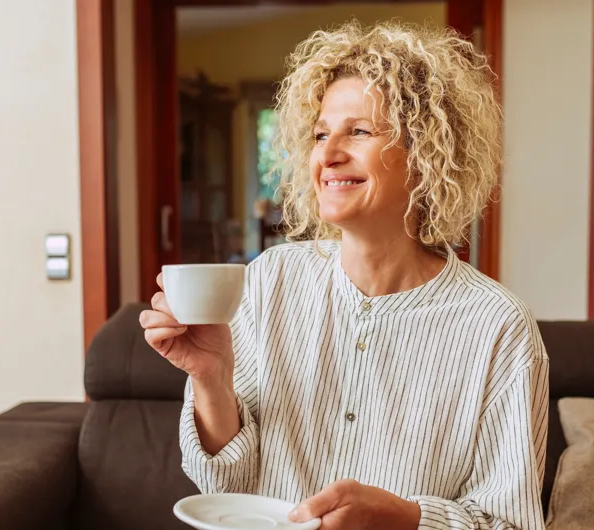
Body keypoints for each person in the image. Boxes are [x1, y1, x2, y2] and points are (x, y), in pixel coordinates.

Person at [140, 21, 549, 530]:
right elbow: (225, 487)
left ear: (425, 154)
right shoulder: (269, 281)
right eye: (319, 134)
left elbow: (511, 522)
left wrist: (407, 518)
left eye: (357, 131)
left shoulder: (499, 326)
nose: (328, 154)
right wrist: (212, 378)